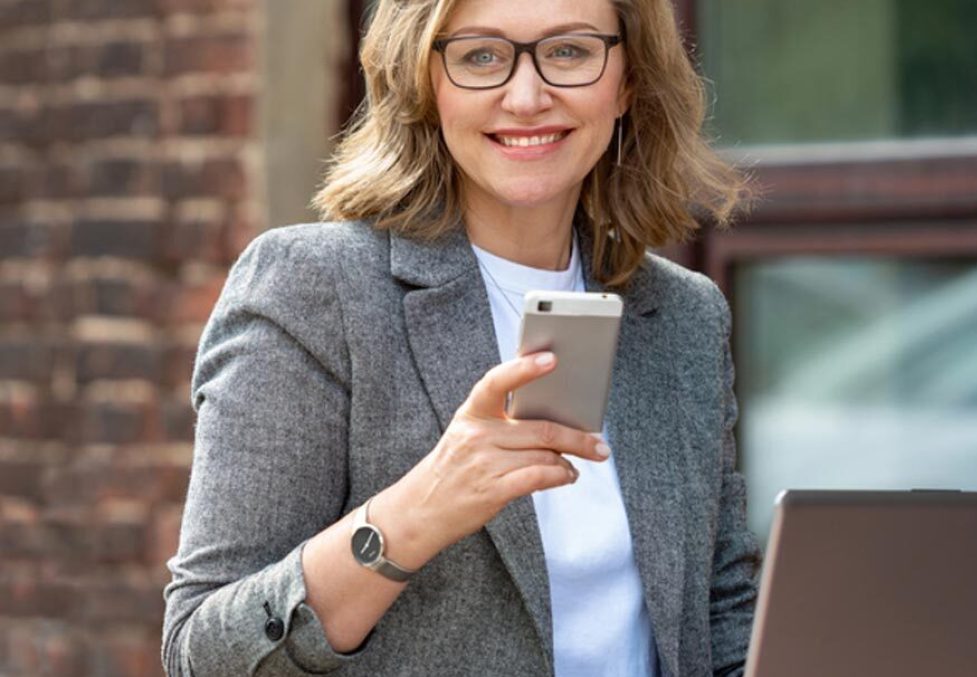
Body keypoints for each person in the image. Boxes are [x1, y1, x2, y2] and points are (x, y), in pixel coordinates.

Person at [162, 0, 760, 675]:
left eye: (569, 51)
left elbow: (724, 621)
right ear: (425, 82)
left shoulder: (682, 316)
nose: (528, 96)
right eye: (480, 55)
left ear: (626, 81)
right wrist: (421, 509)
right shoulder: (315, 291)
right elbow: (202, 652)